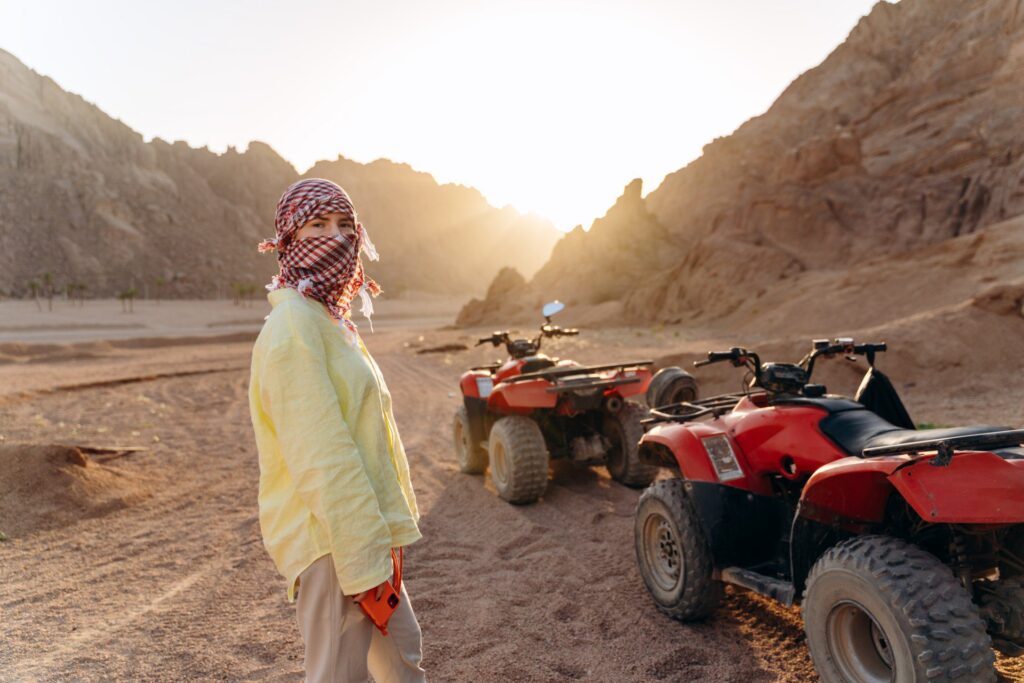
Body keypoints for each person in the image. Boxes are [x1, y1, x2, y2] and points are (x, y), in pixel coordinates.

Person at [248, 178, 427, 682]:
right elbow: (321, 455)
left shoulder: (330, 322)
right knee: (339, 675)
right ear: (289, 238)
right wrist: (362, 561)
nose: (338, 237)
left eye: (346, 225)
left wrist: (378, 541)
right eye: (319, 225)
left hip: (363, 529)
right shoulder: (293, 330)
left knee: (401, 660)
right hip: (330, 540)